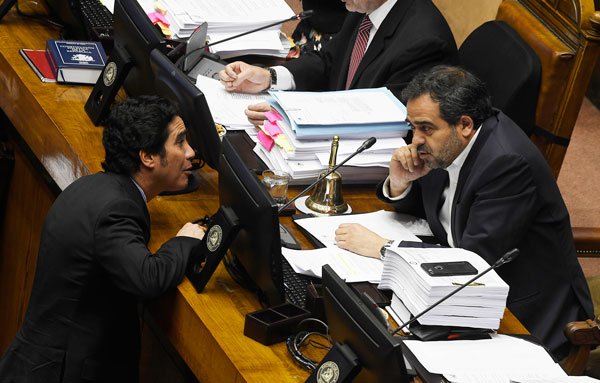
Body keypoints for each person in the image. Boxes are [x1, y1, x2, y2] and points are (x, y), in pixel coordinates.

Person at [335, 66, 594, 359]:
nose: (415, 140)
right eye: (413, 127)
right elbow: (429, 211)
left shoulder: (506, 164)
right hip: (452, 289)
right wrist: (400, 181)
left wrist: (384, 249)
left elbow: (474, 261)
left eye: (425, 128)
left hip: (520, 312)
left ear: (465, 124)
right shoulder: (444, 143)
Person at [0, 96, 206, 382]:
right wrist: (185, 241)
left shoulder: (91, 185)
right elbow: (147, 278)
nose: (191, 152)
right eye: (180, 143)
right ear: (147, 157)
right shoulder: (117, 210)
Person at [220, 0, 457, 126]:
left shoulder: (424, 43)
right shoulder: (366, 7)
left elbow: (383, 120)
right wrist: (269, 76)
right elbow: (329, 62)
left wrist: (289, 115)